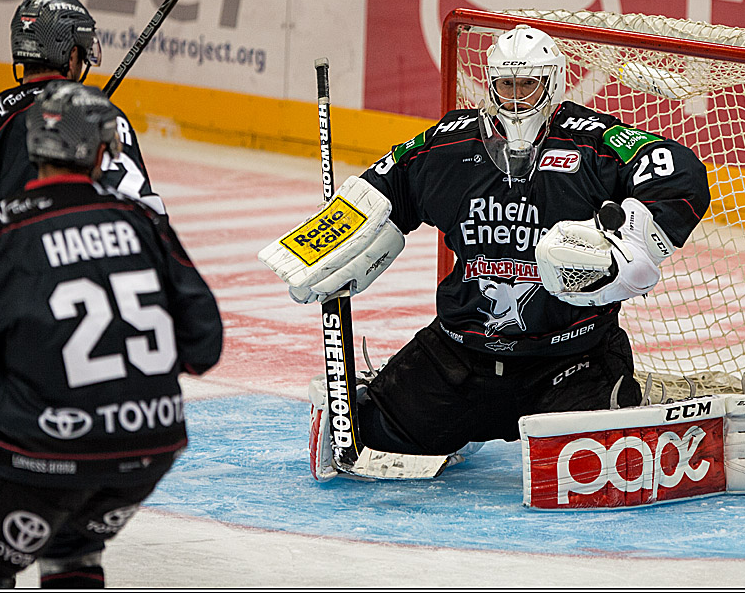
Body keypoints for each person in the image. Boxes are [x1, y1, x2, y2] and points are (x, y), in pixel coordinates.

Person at [262, 24, 711, 476]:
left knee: (593, 471)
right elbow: (386, 184)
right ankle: (434, 414)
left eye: (528, 85)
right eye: (506, 85)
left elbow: (679, 172)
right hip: (460, 356)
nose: (516, 98)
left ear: (552, 84)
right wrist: (329, 240)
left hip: (572, 360)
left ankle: (627, 402)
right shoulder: (452, 144)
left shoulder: (590, 140)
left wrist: (628, 242)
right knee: (367, 436)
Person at [0, 81, 223, 587]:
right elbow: (205, 345)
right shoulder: (144, 222)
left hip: (50, 452)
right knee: (71, 549)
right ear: (101, 153)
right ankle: (71, 560)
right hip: (150, 448)